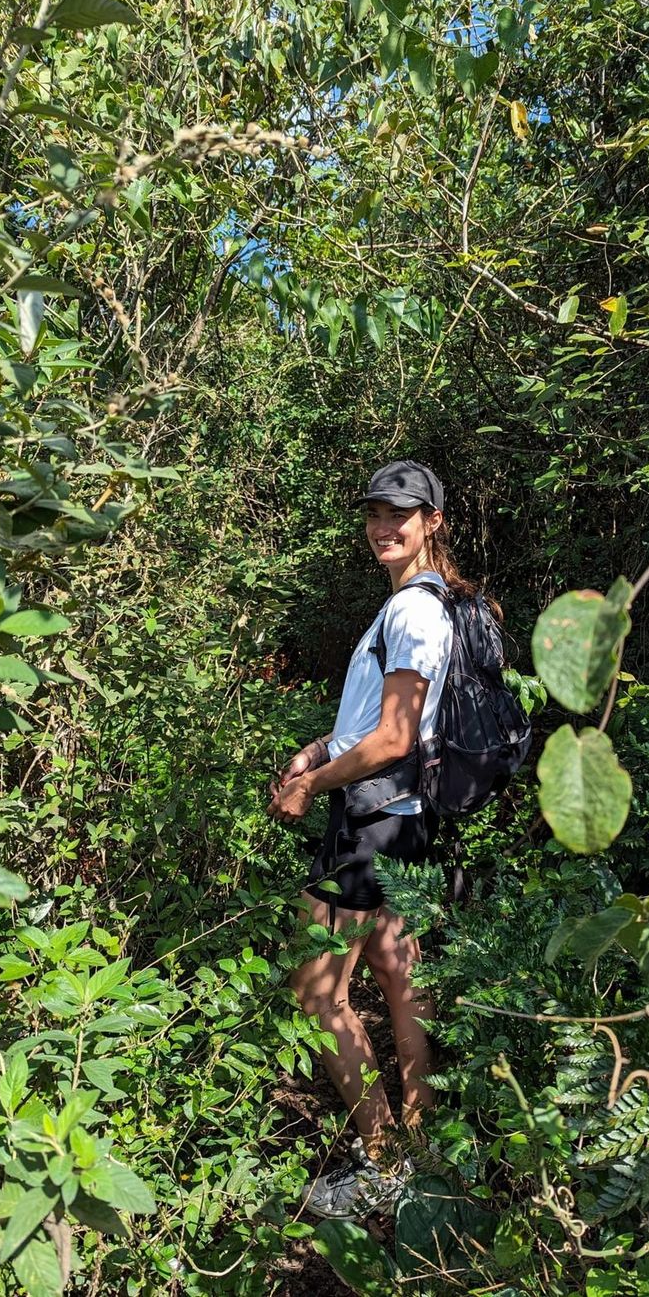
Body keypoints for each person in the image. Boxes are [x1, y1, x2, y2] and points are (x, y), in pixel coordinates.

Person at [266, 460, 471, 1221]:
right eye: (375, 513)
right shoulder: (424, 605)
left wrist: (311, 786)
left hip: (372, 820)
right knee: (398, 977)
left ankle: (383, 1164)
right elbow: (375, 725)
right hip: (409, 818)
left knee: (314, 992)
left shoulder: (414, 612)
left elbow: (394, 737)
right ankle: (425, 1153)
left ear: (433, 521)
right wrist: (319, 750)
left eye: (401, 514)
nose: (384, 527)